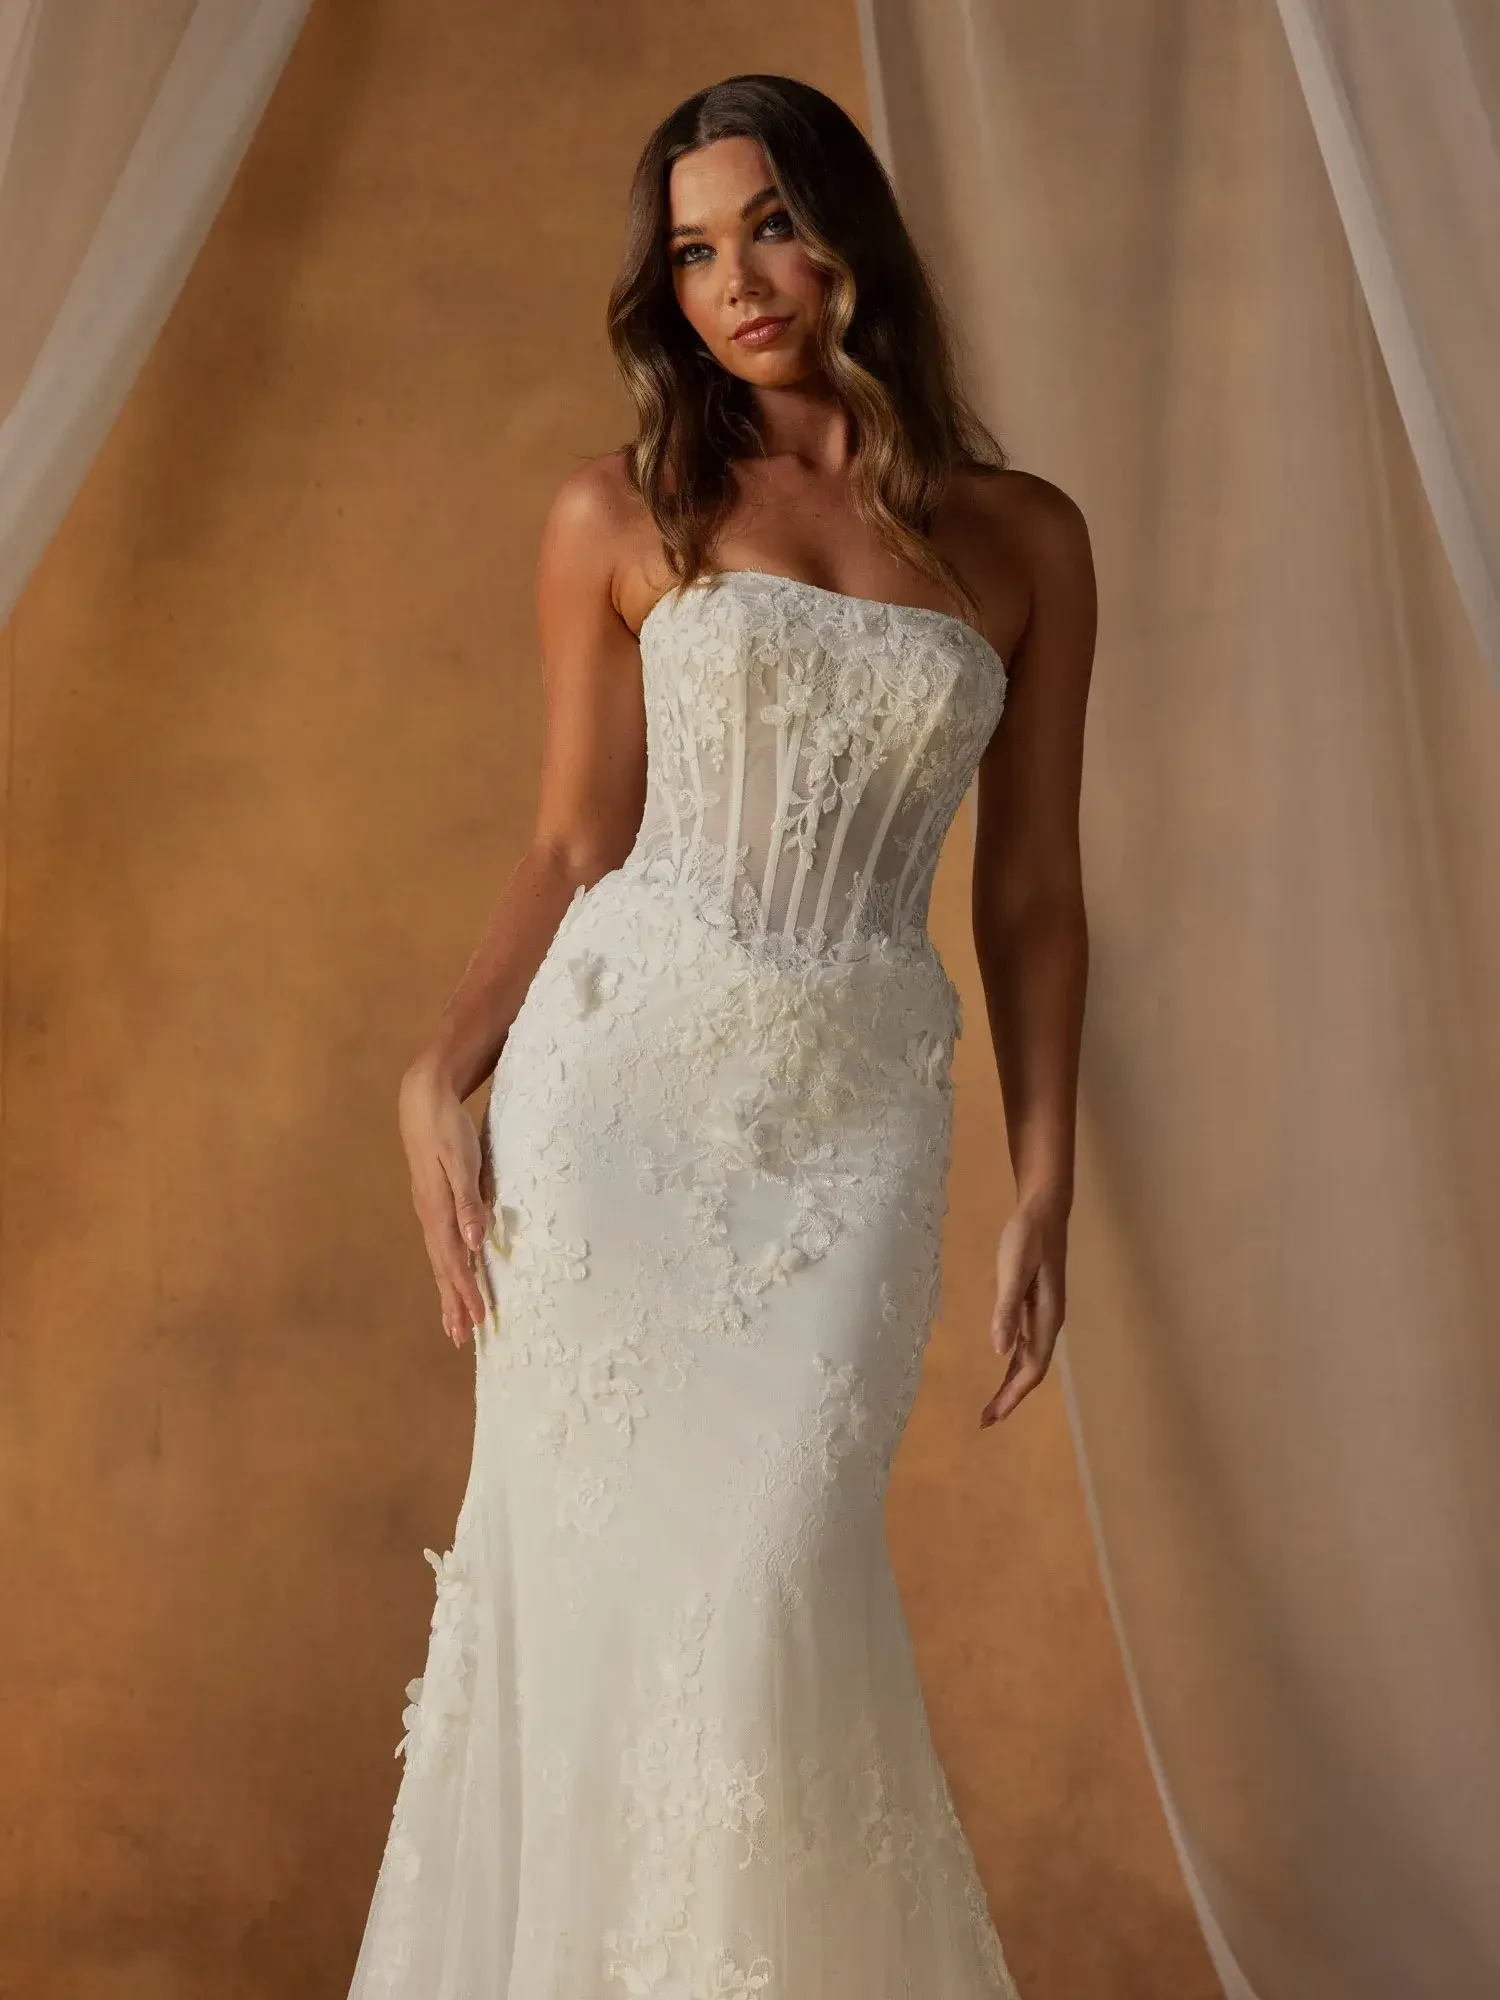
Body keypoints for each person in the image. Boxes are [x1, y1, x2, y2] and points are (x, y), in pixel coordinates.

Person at [348, 71, 1094, 2000]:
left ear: (851, 234)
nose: (735, 281)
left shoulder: (1024, 539)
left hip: (853, 1130)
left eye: (767, 224)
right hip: (620, 1111)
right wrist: (447, 1060)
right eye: (690, 250)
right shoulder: (626, 507)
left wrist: (1046, 1184)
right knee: (601, 1615)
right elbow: (575, 837)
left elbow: (1028, 894)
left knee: (770, 1597)